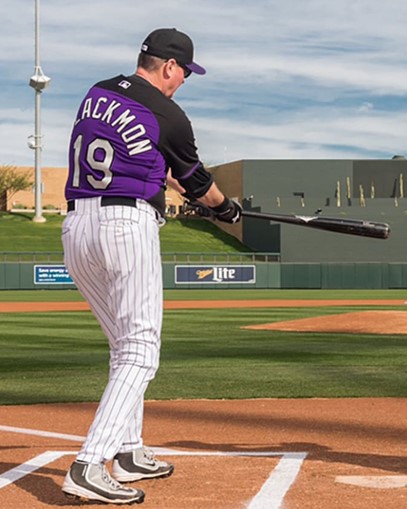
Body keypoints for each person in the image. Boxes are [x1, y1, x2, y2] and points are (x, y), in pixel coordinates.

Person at [61, 28, 241, 504]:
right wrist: (225, 209)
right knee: (141, 350)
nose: (184, 81)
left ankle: (129, 450)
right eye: (184, 72)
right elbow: (199, 181)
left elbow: (132, 156)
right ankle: (89, 464)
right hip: (126, 227)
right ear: (168, 66)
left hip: (78, 227)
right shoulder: (170, 115)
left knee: (124, 345)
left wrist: (172, 183)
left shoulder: (97, 92)